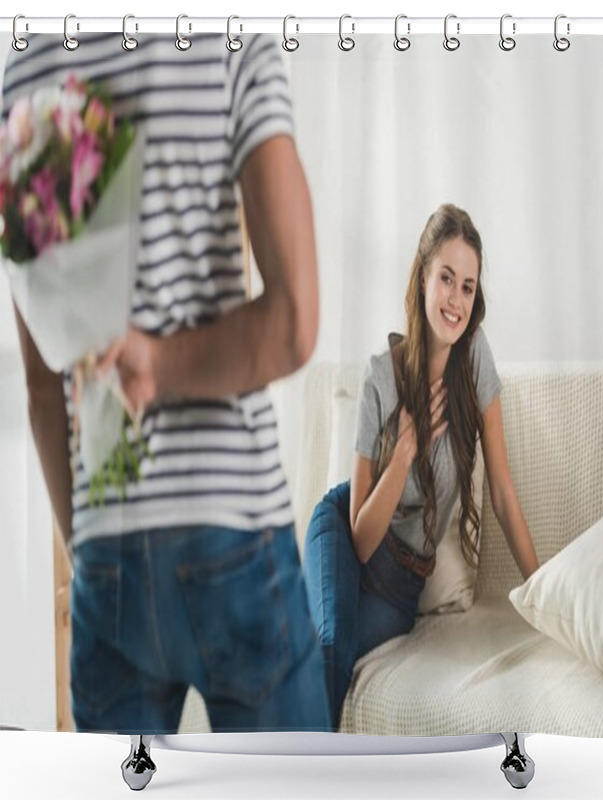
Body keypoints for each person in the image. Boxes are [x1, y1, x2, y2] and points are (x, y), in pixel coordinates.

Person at [3, 32, 330, 733]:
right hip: (233, 529)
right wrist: (158, 362)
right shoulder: (225, 38)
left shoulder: (22, 72)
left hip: (109, 546)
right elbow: (294, 324)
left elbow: (40, 383)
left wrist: (88, 543)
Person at [303, 203, 540, 728]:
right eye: (446, 279)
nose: (456, 299)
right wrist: (404, 452)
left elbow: (501, 492)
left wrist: (546, 598)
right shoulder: (379, 380)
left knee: (314, 658)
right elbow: (360, 539)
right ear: (423, 277)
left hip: (399, 590)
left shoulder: (474, 356)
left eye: (468, 287)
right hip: (342, 534)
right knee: (328, 652)